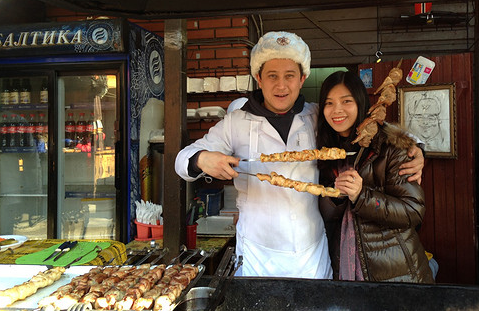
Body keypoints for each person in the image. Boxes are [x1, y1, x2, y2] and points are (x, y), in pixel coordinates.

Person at [175, 31, 424, 278]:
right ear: (258, 79)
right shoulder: (235, 122)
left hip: (311, 253)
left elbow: (370, 130)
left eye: (289, 76)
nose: (281, 85)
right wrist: (201, 159)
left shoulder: (317, 115)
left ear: (302, 78)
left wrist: (417, 149)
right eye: (272, 76)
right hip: (257, 254)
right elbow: (182, 159)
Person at [317, 70, 434, 283]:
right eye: (329, 103)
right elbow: (324, 213)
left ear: (361, 102)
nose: (337, 110)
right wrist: (336, 197)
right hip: (341, 265)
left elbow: (413, 212)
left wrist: (362, 196)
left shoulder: (392, 147)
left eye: (346, 101)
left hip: (395, 273)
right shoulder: (326, 150)